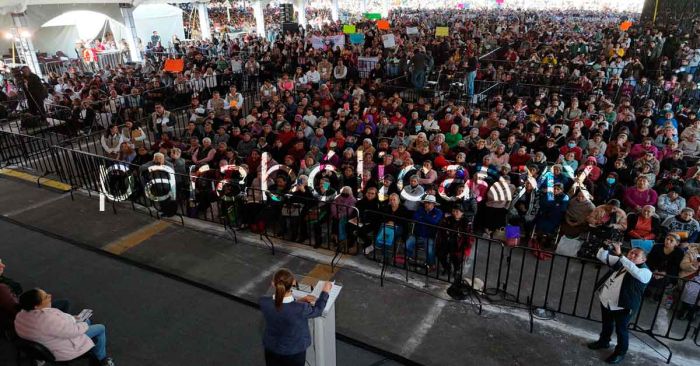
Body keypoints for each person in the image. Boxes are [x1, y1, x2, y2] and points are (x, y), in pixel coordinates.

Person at [14, 288, 115, 365]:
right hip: (63, 347)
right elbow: (73, 331)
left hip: (46, 343)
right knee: (100, 328)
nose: (49, 295)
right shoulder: (48, 320)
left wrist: (73, 319)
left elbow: (58, 326)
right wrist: (82, 324)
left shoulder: (20, 316)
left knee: (86, 320)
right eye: (45, 297)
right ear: (36, 306)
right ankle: (102, 359)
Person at [588, 245, 651, 364]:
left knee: (621, 330)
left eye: (636, 255)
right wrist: (605, 247)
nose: (632, 255)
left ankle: (620, 352)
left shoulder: (645, 272)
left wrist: (621, 256)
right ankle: (603, 341)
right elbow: (601, 257)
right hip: (607, 300)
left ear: (643, 260)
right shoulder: (622, 261)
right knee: (607, 324)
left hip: (623, 306)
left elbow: (634, 270)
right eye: (631, 252)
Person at [260, 269, 332, 366]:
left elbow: (283, 307)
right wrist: (325, 291)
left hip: (271, 347)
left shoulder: (264, 302)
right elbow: (318, 310)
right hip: (294, 351)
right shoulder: (301, 308)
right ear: (293, 282)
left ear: (273, 284)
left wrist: (300, 300)